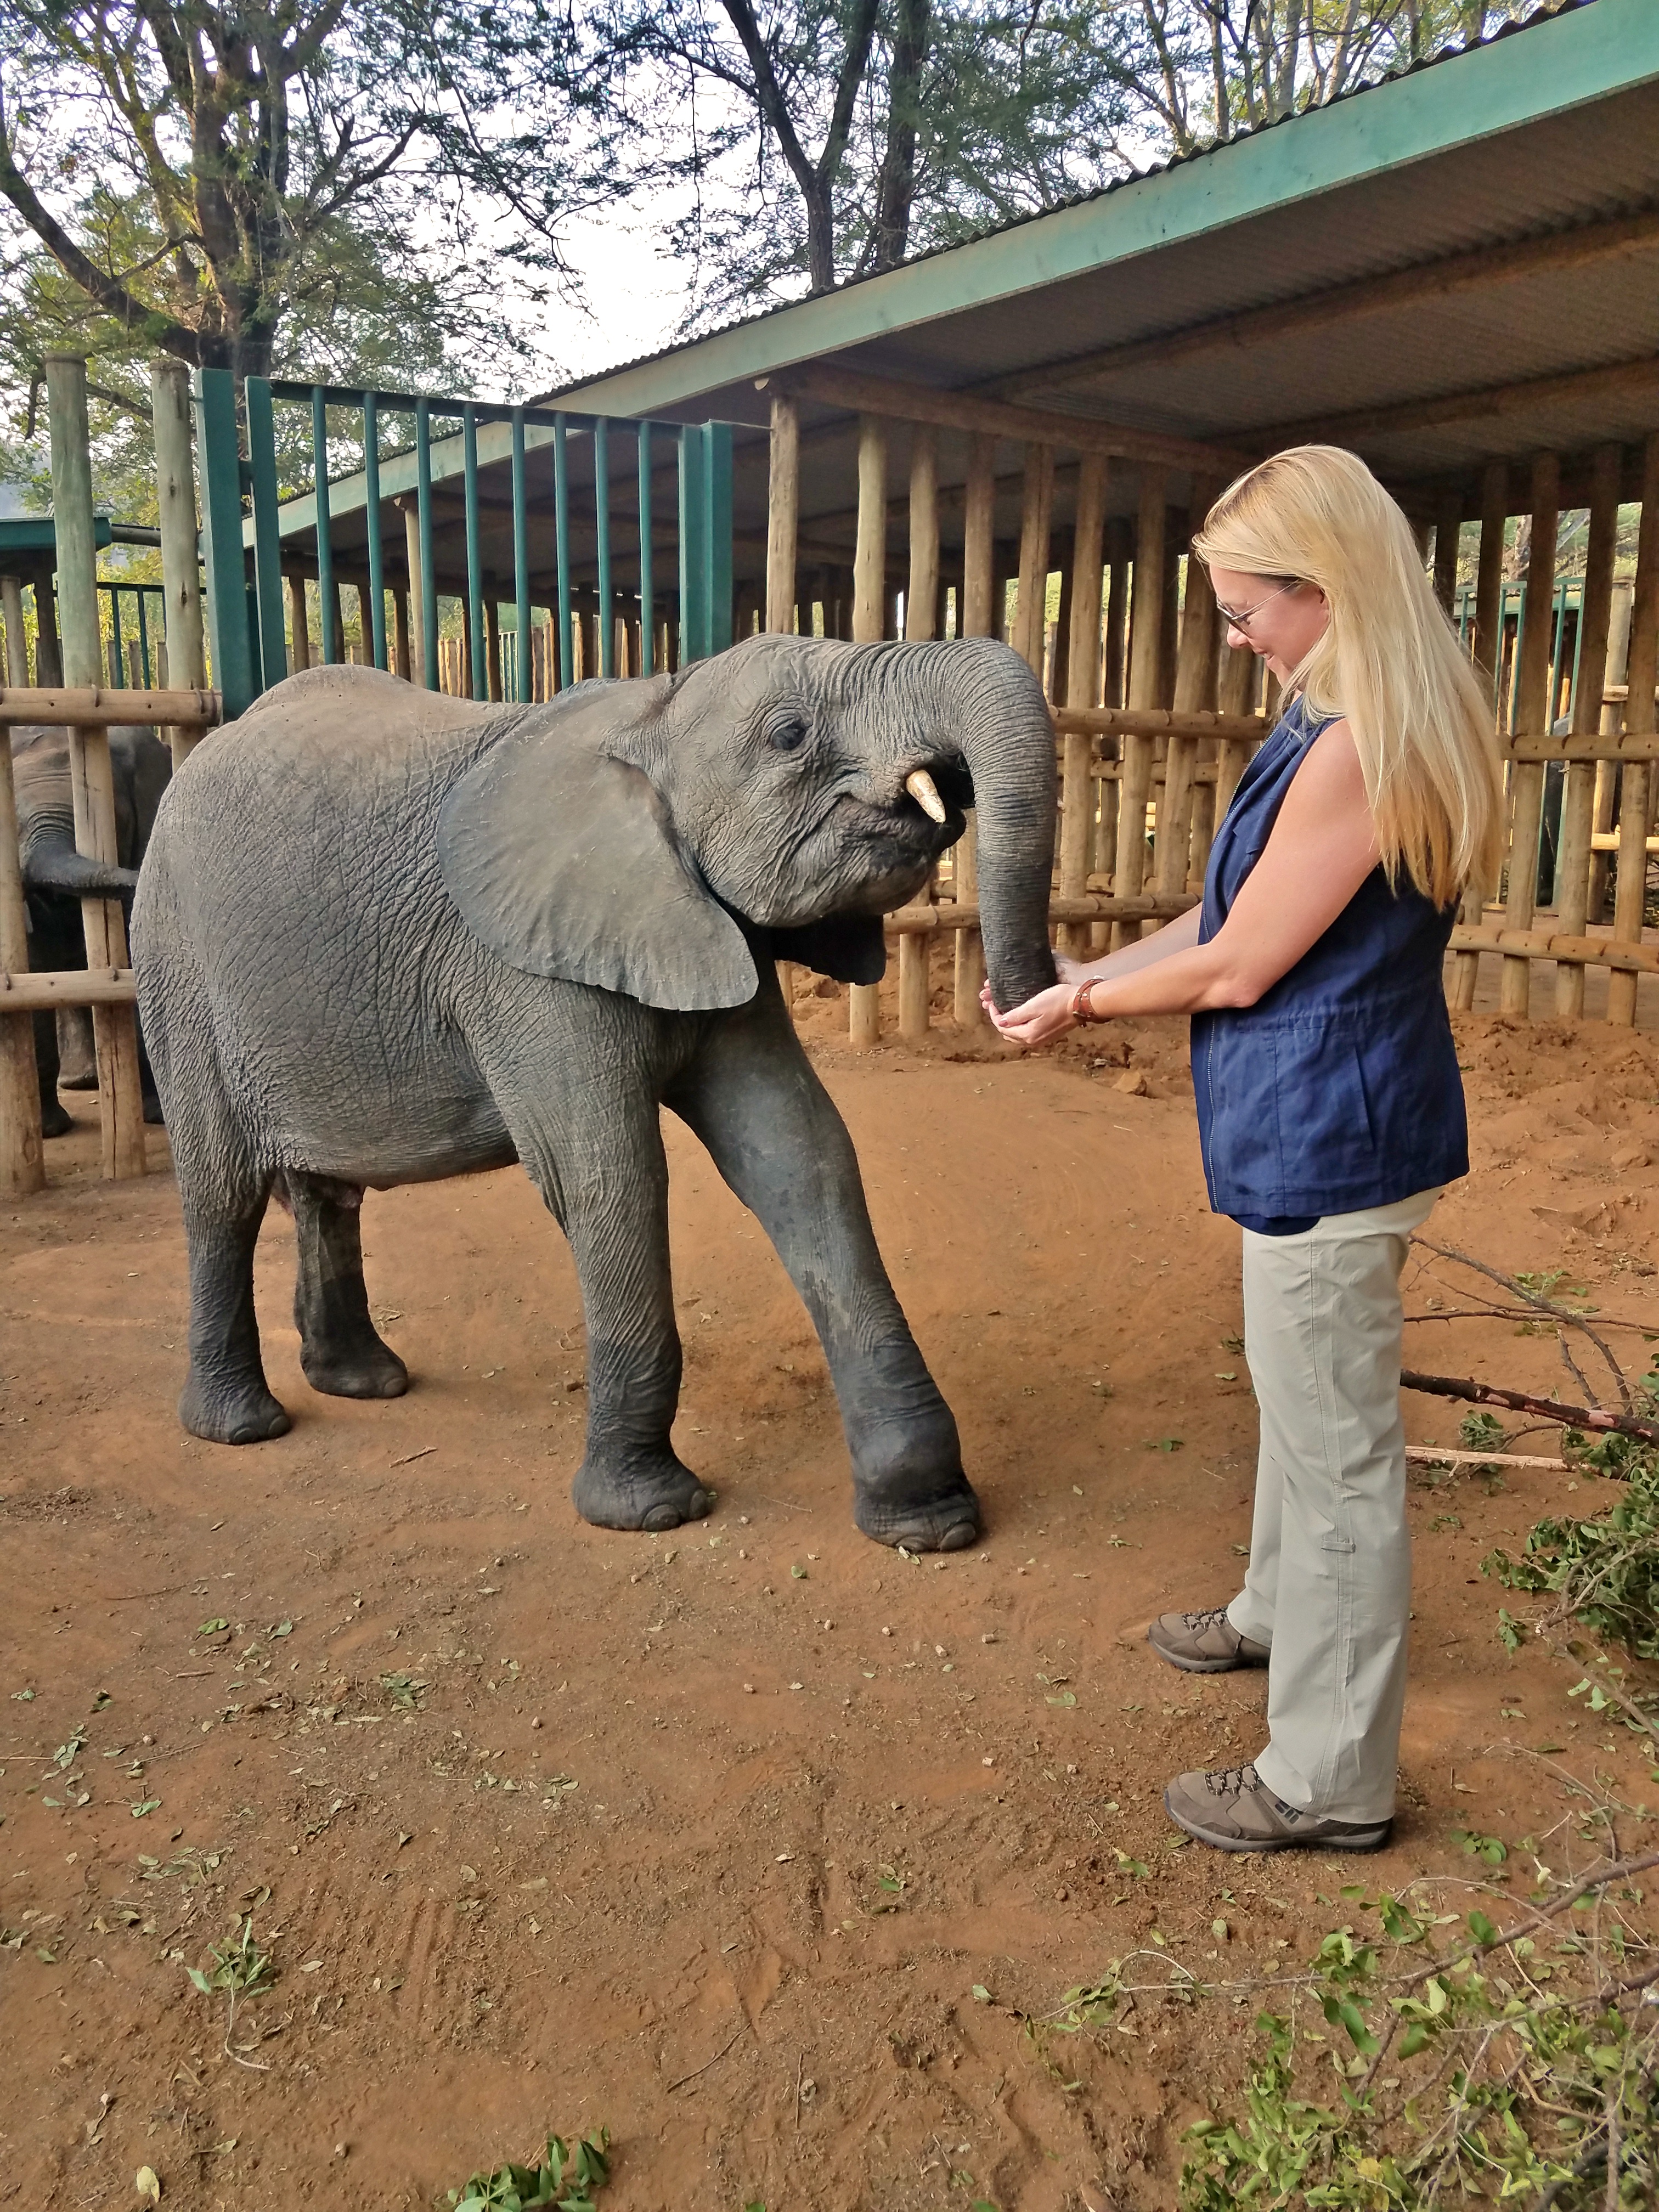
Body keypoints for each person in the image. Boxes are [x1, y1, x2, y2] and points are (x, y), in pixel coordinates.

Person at [987, 445, 1503, 1854]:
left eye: (1242, 610)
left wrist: (1083, 1007)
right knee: (1302, 1401)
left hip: (1335, 1130)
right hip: (1322, 1121)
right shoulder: (1342, 712)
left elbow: (1237, 968)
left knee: (1339, 1460)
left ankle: (1328, 1781)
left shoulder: (1356, 746)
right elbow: (1230, 918)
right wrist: (1085, 972)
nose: (1233, 636)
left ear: (1324, 587)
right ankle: (1276, 1612)